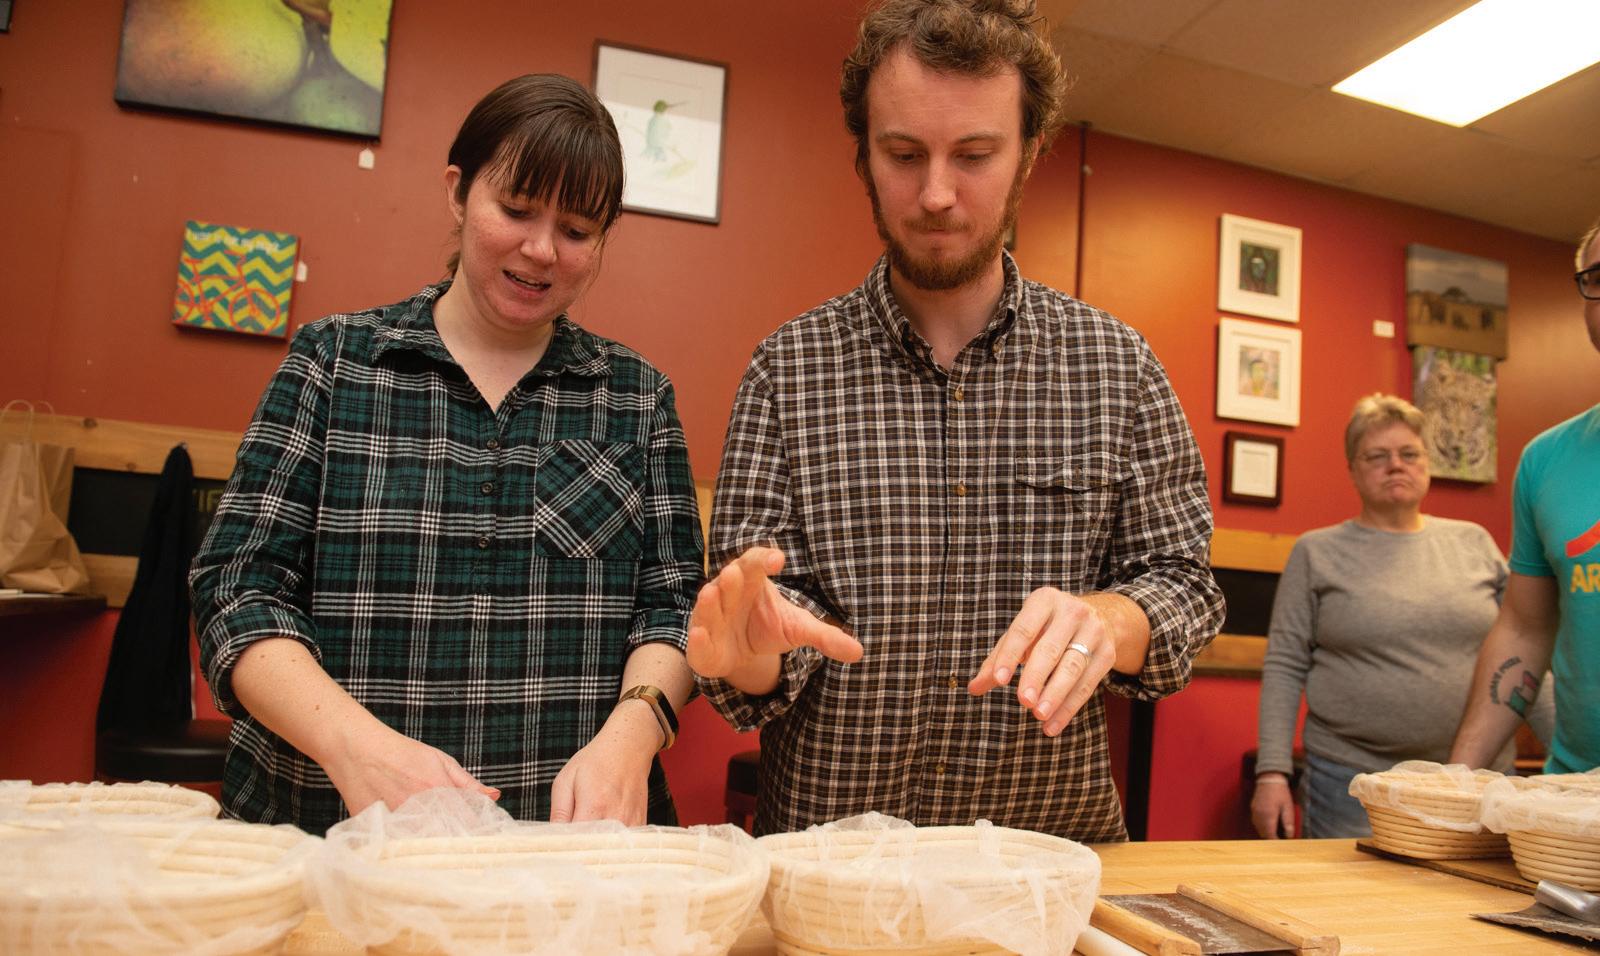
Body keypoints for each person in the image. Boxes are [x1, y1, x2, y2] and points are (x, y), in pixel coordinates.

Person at [686, 0, 1223, 841]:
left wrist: (1113, 619)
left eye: (974, 155)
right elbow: (757, 640)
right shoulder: (785, 372)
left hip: (1049, 859)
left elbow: (1184, 584)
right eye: (904, 155)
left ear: (1029, 153)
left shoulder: (1118, 367)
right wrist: (752, 656)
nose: (936, 195)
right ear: (864, 155)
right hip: (831, 868)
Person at [189, 75, 702, 835]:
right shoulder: (334, 362)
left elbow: (674, 607)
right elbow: (236, 590)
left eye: (576, 230)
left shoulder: (636, 397)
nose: (540, 250)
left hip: (566, 850)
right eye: (516, 210)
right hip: (325, 834)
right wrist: (355, 746)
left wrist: (633, 732)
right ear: (459, 192)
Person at [1251, 394, 1533, 840]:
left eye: (1409, 454)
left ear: (1427, 463)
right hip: (1353, 785)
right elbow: (1285, 665)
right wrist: (1272, 773)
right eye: (1377, 456)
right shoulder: (1316, 552)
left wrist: (1574, 765)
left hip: (1477, 780)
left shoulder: (1475, 543)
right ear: (1353, 470)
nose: (1395, 465)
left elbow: (1525, 650)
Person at [1449, 217, 1600, 775]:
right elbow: (1524, 627)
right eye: (1599, 277)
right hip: (1575, 796)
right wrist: (1458, 777)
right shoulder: (1545, 460)